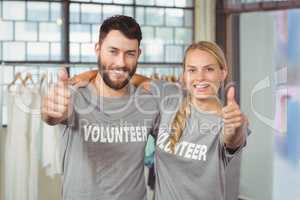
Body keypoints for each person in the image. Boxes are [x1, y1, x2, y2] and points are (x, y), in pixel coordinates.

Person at [71, 41, 249, 200]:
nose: (200, 77)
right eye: (192, 70)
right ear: (184, 75)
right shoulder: (169, 97)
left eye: (209, 69)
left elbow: (233, 140)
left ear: (223, 72)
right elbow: (130, 78)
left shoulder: (230, 120)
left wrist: (235, 128)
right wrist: (92, 74)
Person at [42, 15, 160, 200]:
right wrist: (50, 112)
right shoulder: (75, 96)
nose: (121, 62)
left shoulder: (148, 102)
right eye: (113, 51)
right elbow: (52, 115)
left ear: (138, 54)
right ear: (98, 49)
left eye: (130, 53)